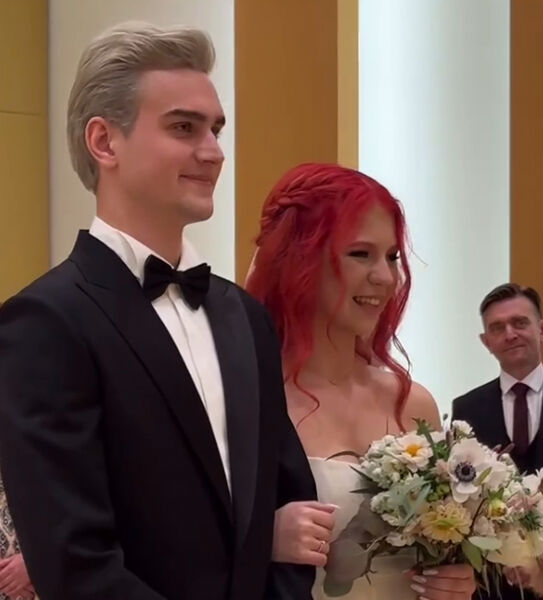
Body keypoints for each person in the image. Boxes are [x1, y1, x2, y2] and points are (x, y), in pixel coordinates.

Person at [0, 23, 316, 600]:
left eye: (216, 129)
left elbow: (288, 506)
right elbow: (74, 563)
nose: (213, 151)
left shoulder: (245, 317)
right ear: (104, 142)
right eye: (183, 127)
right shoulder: (46, 323)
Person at [246, 163, 477, 600]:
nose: (386, 277)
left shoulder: (413, 405)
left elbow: (441, 547)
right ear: (299, 259)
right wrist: (262, 540)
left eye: (392, 257)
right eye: (360, 254)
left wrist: (455, 581)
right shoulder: (250, 399)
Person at [452, 283, 543, 600]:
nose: (510, 334)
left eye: (520, 323)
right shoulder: (466, 409)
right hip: (491, 583)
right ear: (486, 341)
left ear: (542, 329)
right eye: (497, 328)